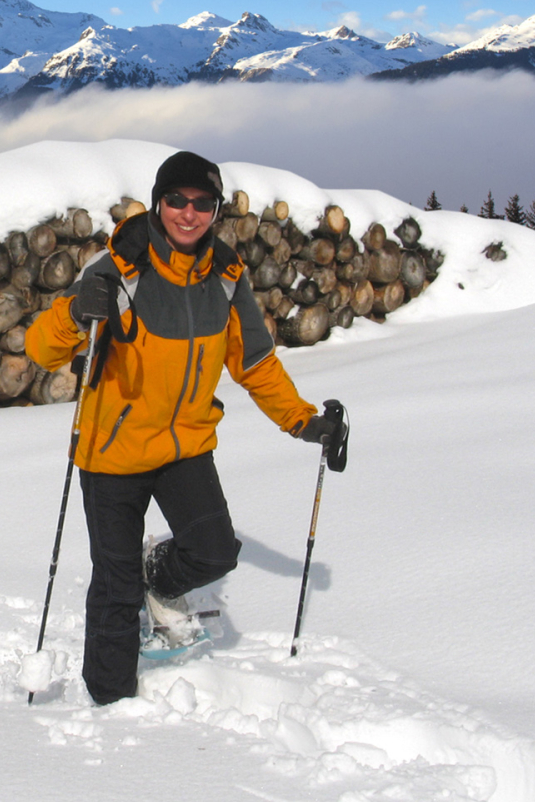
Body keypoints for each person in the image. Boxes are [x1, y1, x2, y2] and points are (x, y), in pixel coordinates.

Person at [25, 150, 342, 706]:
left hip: (183, 446)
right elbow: (40, 349)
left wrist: (304, 421)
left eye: (203, 203)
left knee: (215, 551)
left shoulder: (225, 279)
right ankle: (110, 704)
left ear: (217, 211)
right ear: (158, 202)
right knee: (115, 591)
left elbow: (256, 363)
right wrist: (76, 314)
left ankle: (159, 575)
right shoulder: (117, 270)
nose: (188, 213)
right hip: (113, 453)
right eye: (177, 200)